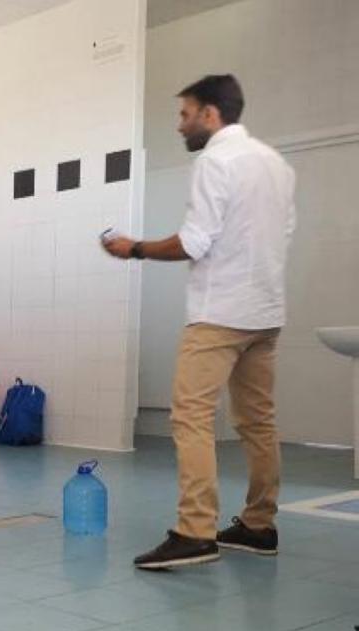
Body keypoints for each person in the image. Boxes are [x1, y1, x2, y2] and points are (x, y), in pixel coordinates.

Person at [103, 74, 295, 570]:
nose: (180, 124)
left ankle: (195, 531)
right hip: (266, 312)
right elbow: (282, 235)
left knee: (189, 417)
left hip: (219, 313)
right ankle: (258, 525)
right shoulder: (276, 164)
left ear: (211, 114)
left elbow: (194, 242)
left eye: (185, 114)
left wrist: (135, 249)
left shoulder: (215, 161)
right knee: (259, 422)